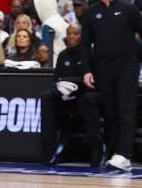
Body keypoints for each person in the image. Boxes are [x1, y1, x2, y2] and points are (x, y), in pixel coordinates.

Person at [80, 0, 142, 172]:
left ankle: (125, 154)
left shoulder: (128, 9)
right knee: (110, 111)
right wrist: (87, 70)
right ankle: (114, 152)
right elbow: (85, 44)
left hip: (126, 66)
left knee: (126, 109)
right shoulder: (91, 12)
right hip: (103, 67)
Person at [39, 25, 103, 166]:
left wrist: (76, 86)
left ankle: (96, 148)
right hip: (65, 96)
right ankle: (49, 149)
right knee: (47, 97)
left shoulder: (92, 54)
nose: (72, 36)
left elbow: (97, 82)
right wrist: (59, 88)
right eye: (69, 34)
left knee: (87, 100)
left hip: (86, 94)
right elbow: (55, 80)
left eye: (76, 33)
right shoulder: (63, 55)